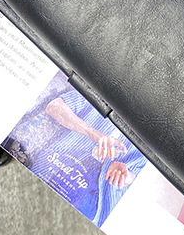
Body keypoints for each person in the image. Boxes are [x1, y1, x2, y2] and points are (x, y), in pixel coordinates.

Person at [27, 87, 148, 226]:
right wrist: (92, 133)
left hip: (97, 200)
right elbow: (54, 107)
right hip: (54, 170)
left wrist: (124, 177)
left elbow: (137, 180)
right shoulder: (103, 92)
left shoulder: (151, 139)